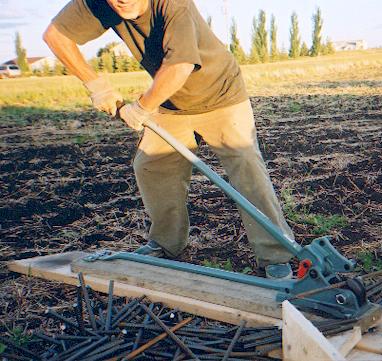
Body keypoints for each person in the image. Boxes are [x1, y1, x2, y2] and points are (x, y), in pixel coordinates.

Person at [43, 0, 295, 279]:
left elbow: (180, 66)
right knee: (152, 166)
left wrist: (140, 108)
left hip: (220, 93)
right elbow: (56, 36)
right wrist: (95, 85)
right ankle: (165, 244)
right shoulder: (99, 3)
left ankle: (276, 253)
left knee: (247, 166)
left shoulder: (174, 4)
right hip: (170, 101)